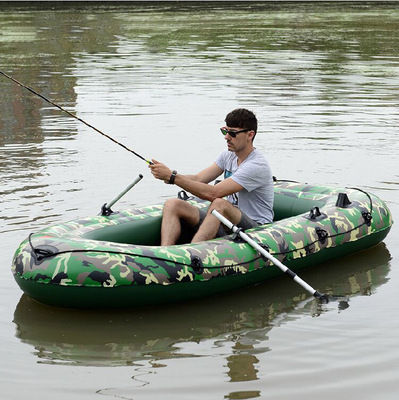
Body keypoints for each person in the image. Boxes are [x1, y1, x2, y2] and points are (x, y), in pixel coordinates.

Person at [149, 108, 274, 245]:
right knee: (173, 204)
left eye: (232, 133)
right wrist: (169, 175)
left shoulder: (256, 165)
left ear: (250, 135)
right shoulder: (227, 156)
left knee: (219, 203)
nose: (226, 137)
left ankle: (191, 253)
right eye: (225, 131)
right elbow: (198, 179)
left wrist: (173, 177)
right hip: (227, 223)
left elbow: (213, 193)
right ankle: (166, 254)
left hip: (256, 229)